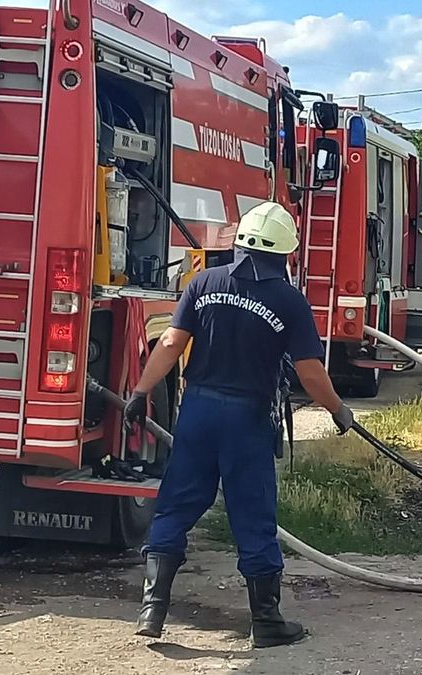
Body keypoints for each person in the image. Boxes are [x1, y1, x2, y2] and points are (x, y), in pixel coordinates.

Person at [124, 201, 355, 648]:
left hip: (198, 412)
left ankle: (152, 610)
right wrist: (337, 410)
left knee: (175, 506)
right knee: (252, 516)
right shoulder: (288, 300)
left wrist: (140, 392)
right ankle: (266, 621)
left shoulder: (204, 282)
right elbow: (309, 372)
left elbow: (171, 342)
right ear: (286, 251)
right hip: (247, 419)